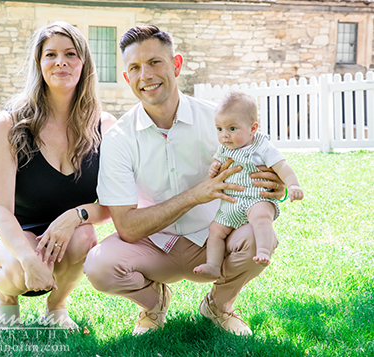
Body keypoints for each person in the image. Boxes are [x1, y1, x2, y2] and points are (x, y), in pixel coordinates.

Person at [84, 25, 286, 336]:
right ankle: (154, 303)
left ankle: (219, 305)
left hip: (212, 241)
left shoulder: (217, 120)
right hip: (152, 245)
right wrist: (196, 194)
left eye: (155, 62)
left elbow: (265, 165)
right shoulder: (118, 139)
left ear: (176, 65)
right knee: (98, 266)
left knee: (262, 237)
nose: (145, 75)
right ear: (127, 79)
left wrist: (277, 186)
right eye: (135, 68)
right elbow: (126, 227)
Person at [0, 21, 115, 331]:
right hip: (6, 231)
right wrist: (27, 255)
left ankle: (56, 309)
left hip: (64, 234)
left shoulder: (106, 127)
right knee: (17, 270)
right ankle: (5, 301)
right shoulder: (9, 124)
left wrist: (75, 216)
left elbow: (116, 204)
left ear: (84, 63)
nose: (60, 61)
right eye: (50, 54)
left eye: (71, 54)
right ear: (39, 64)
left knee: (85, 235)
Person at [193, 92, 304, 279]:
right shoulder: (225, 147)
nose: (224, 135)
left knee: (261, 217)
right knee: (215, 230)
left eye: (232, 128)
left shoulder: (263, 147)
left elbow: (282, 166)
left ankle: (263, 251)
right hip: (232, 203)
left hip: (257, 198)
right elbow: (217, 161)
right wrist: (214, 167)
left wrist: (292, 185)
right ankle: (213, 265)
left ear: (253, 128)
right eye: (219, 129)